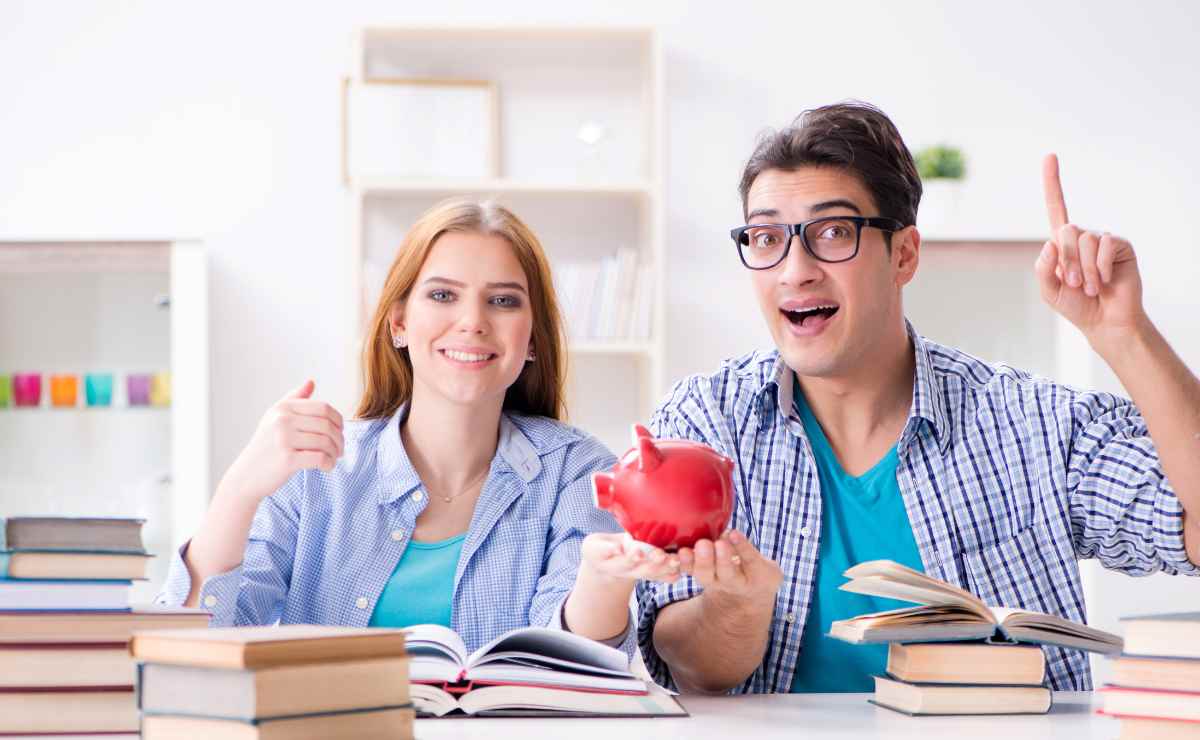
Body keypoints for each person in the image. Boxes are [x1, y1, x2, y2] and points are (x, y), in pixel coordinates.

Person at [635, 102, 1200, 693]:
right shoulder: (705, 424)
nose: (794, 270)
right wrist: (738, 606)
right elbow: (691, 668)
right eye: (767, 237)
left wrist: (1125, 336)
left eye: (832, 232)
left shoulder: (1030, 423)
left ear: (903, 254)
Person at [156, 198, 675, 653]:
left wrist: (605, 584)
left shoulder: (578, 473)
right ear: (399, 323)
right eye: (443, 295)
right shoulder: (317, 473)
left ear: (532, 337)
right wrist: (238, 490)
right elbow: (190, 647)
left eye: (503, 300)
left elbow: (569, 668)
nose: (473, 321)